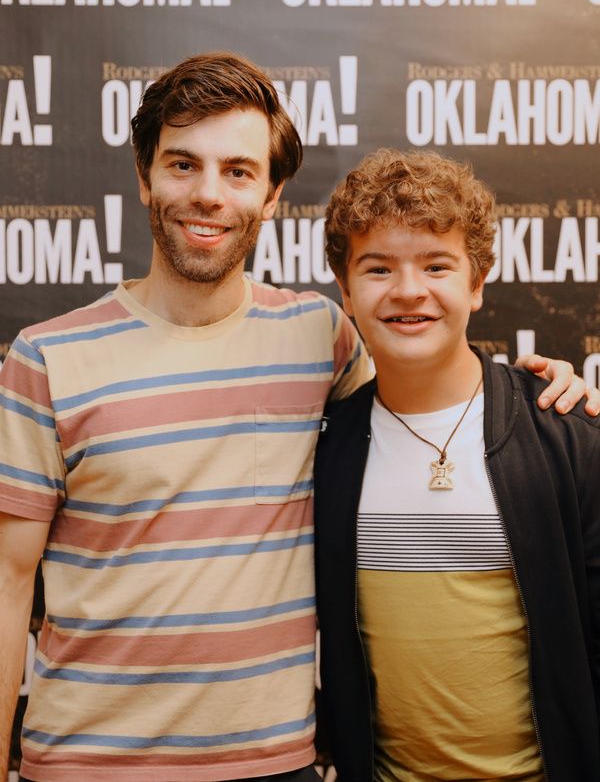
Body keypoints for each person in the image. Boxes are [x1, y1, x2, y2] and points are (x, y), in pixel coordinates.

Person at [0, 56, 594, 782]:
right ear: (143, 177)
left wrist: (548, 398)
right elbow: (6, 585)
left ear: (272, 194)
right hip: (84, 765)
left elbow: (428, 378)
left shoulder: (320, 336)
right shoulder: (47, 356)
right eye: (182, 165)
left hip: (276, 767)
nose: (208, 194)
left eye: (239, 171)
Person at [314, 149, 600, 782]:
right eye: (378, 268)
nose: (408, 290)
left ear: (476, 283)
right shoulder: (327, 452)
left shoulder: (564, 435)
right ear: (347, 291)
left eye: (436, 265)